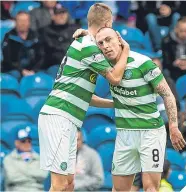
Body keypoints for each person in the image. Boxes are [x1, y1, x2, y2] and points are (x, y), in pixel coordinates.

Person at [38, 3, 129, 192]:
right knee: (60, 185)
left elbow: (87, 97)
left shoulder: (86, 43)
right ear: (106, 23)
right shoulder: (87, 47)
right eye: (111, 24)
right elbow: (115, 78)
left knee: (70, 183)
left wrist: (116, 103)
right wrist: (126, 49)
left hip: (69, 119)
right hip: (59, 116)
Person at [94, 27, 186, 192]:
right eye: (100, 43)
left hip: (150, 133)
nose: (105, 45)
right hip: (124, 134)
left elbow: (167, 94)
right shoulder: (103, 65)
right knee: (119, 189)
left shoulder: (143, 63)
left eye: (108, 40)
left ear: (119, 39)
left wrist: (173, 126)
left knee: (150, 189)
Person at [3, 127, 48, 191]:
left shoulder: (38, 158)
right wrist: (33, 176)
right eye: (23, 141)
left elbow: (43, 175)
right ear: (16, 143)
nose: (27, 144)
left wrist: (22, 172)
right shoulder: (8, 159)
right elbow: (12, 177)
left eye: (29, 141)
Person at [1, 11, 43, 78]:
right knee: (15, 75)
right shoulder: (9, 36)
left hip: (32, 70)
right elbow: (8, 59)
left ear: (29, 22)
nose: (23, 23)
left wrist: (34, 71)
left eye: (25, 21)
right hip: (13, 70)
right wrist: (21, 71)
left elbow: (41, 57)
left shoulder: (36, 36)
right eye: (20, 21)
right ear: (15, 22)